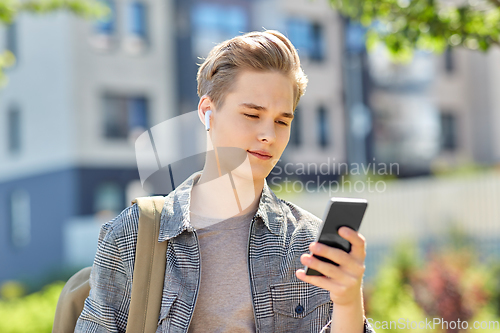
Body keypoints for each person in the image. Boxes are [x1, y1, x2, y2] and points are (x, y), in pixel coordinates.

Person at [75, 30, 376, 333]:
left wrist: (348, 302)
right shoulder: (132, 236)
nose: (269, 136)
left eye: (282, 121)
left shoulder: (307, 243)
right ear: (208, 113)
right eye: (251, 114)